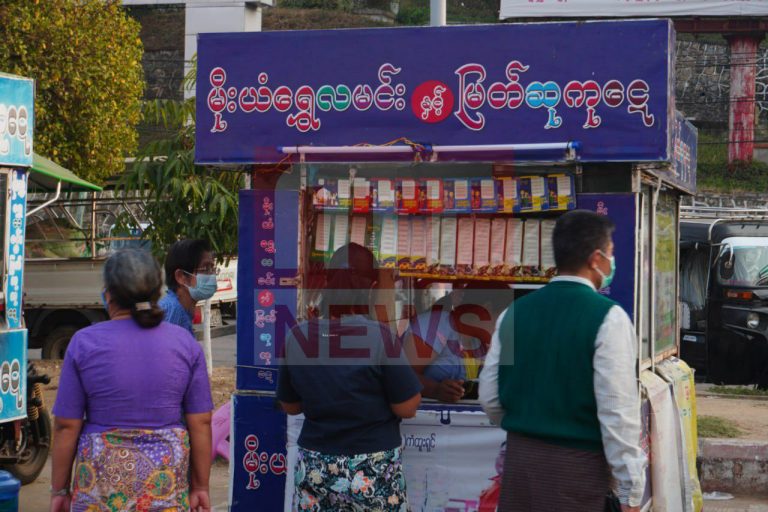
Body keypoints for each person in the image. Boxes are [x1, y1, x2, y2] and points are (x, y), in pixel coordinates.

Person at [479, 210, 646, 512]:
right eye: (610, 253)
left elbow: (490, 398)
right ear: (596, 259)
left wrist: (530, 427)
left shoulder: (513, 314)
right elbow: (617, 414)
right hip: (577, 474)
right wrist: (630, 492)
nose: (612, 261)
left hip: (520, 470)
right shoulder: (609, 318)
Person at [50, 249, 214, 512]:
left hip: (99, 490)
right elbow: (201, 422)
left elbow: (66, 426)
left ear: (108, 294)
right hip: (166, 487)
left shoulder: (84, 343)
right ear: (156, 292)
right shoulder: (185, 343)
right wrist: (200, 487)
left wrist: (59, 490)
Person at [277, 243, 422, 511]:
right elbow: (408, 406)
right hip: (372, 467)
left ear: (326, 282)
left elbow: (290, 405)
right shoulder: (381, 337)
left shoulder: (297, 336)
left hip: (315, 466)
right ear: (371, 288)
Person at [404, 282, 513, 403]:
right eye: (503, 318)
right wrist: (435, 390)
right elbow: (402, 375)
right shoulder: (434, 325)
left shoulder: (480, 341)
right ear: (486, 308)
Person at [159, 239, 218, 334]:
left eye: (212, 268)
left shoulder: (182, 310)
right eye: (206, 268)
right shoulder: (173, 311)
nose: (212, 275)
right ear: (181, 276)